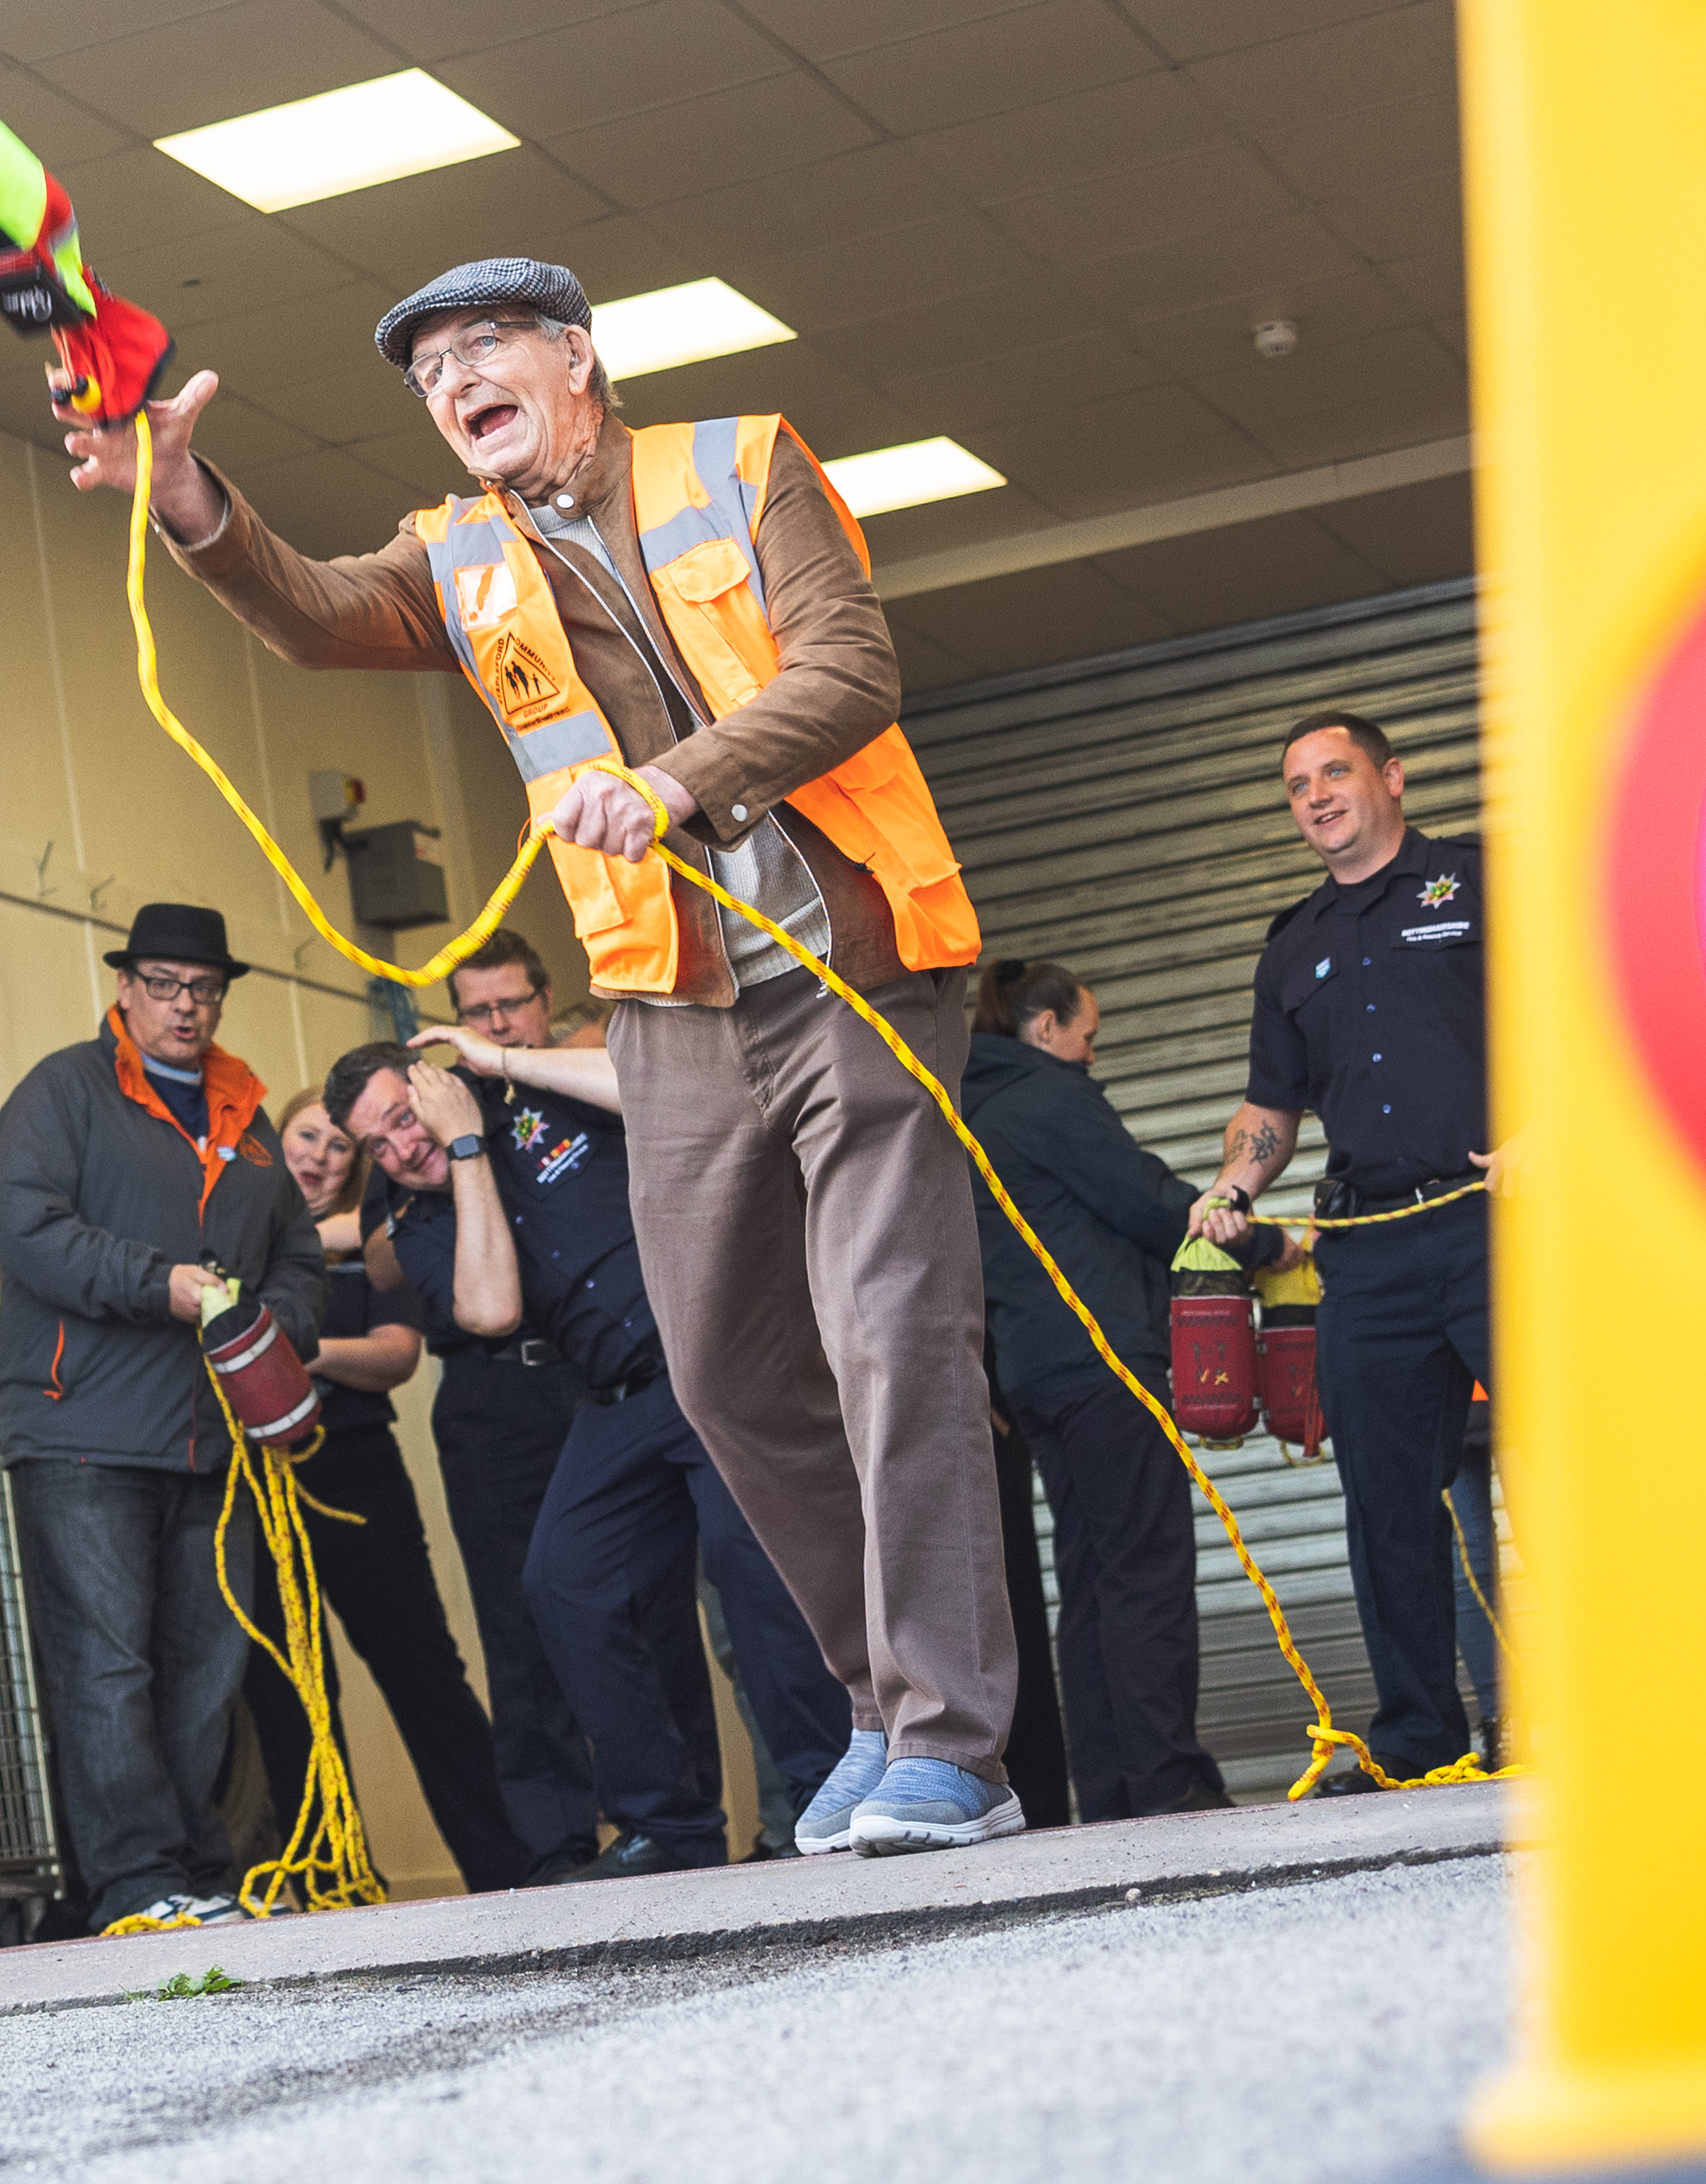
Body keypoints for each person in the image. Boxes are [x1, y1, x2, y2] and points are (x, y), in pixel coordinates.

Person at [79, 261, 1019, 1856]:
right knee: (724, 1373)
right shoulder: (457, 555)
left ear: (574, 356)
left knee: (888, 1339)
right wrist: (187, 501)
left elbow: (849, 672)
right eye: (426, 371)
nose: (451, 383)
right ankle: (876, 1699)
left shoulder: (737, 463)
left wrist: (669, 789)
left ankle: (954, 1743)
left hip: (852, 963)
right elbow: (313, 616)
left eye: (480, 348)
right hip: (672, 1002)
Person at [386, 953, 851, 1874]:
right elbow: (486, 1310)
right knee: (562, 1577)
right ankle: (666, 1827)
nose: (402, 1148)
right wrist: (461, 1141)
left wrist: (500, 1064)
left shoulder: (566, 1074)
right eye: (475, 1011)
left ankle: (824, 1790)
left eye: (507, 1005)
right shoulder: (434, 1186)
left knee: (746, 1560)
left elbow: (655, 1088)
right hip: (615, 1395)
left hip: (711, 1355)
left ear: (540, 1001)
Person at [0, 902, 329, 1935]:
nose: (186, 1006)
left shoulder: (248, 1113)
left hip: (212, 1438)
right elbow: (30, 1231)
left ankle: (192, 1871)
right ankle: (134, 1884)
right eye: (167, 985)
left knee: (206, 1670)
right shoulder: (63, 1090)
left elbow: (301, 1259)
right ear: (126, 988)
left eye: (205, 990)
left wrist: (271, 1328)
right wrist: (163, 1285)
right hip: (79, 1429)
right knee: (106, 1664)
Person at [1196, 712, 1496, 1783]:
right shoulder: (1293, 946)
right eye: (1295, 786)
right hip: (1369, 1248)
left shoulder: (1473, 885)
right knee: (1382, 1502)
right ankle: (1420, 1734)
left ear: (1392, 778)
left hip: (1497, 1225)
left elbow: (1577, 1008)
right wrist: (1232, 1181)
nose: (1315, 795)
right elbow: (1267, 1109)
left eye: (1334, 772)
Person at [963, 958, 1260, 1821]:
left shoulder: (967, 1109)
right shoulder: (1051, 1096)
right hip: (1104, 1361)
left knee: (1091, 1581)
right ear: (1046, 1027)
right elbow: (1146, 1200)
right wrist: (1262, 1241)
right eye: (1087, 1033)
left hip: (1033, 1374)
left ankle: (1112, 1790)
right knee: (1146, 1573)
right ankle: (1170, 1779)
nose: (1092, 1052)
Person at [241, 1093, 531, 1893]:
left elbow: (396, 1354)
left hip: (356, 1463)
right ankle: (333, 1880)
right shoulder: (239, 1234)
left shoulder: (374, 1240)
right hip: (263, 1481)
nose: (322, 1156)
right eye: (307, 1135)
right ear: (275, 1140)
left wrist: (291, 1353)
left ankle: (511, 1869)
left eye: (341, 1146)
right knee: (293, 1684)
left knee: (422, 1670)